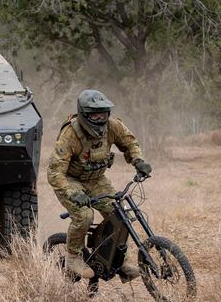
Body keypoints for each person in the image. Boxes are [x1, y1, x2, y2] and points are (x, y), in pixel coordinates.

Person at [47, 90, 152, 280]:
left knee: (120, 214)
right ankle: (73, 257)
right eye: (95, 114)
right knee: (84, 215)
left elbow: (130, 143)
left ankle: (121, 262)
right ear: (84, 114)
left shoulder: (112, 126)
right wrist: (72, 193)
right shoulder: (70, 134)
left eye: (103, 113)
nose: (100, 117)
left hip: (96, 179)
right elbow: (55, 172)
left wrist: (138, 161)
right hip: (71, 180)